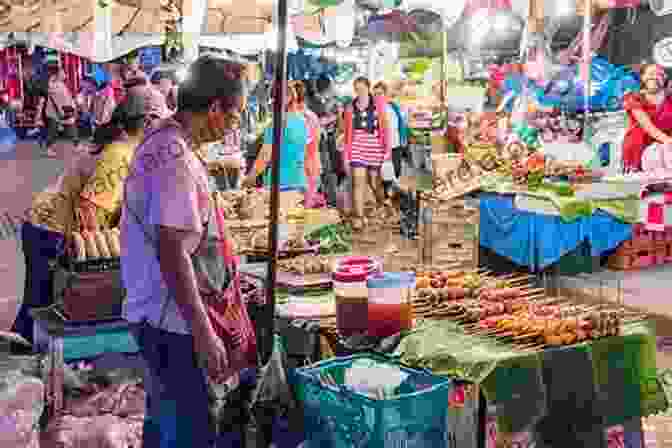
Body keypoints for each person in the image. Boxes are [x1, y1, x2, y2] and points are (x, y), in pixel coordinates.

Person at [120, 55, 254, 448]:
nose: (236, 123)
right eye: (236, 114)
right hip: (170, 322)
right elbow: (172, 252)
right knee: (188, 429)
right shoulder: (175, 160)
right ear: (214, 109)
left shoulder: (166, 139)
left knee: (164, 421)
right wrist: (203, 332)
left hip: (156, 314)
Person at [11, 91, 146, 353]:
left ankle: (25, 346)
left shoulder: (119, 145)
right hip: (51, 227)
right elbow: (89, 209)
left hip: (43, 220)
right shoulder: (121, 153)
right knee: (47, 301)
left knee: (39, 296)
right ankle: (34, 360)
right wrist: (96, 262)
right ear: (148, 121)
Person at [341, 76, 392, 229]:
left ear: (368, 88)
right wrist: (346, 154)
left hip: (374, 145)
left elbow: (385, 127)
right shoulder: (350, 107)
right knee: (358, 180)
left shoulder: (378, 104)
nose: (359, 92)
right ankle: (359, 217)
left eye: (362, 89)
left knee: (373, 180)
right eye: (357, 89)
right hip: (357, 145)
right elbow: (348, 132)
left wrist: (387, 149)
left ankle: (382, 203)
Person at [243, 81, 311, 193]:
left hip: (279, 183)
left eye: (274, 98)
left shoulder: (278, 123)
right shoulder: (303, 121)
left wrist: (250, 177)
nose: (272, 103)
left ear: (287, 98)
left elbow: (265, 155)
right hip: (299, 182)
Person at [622, 63, 672, 172]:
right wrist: (668, 141)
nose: (654, 76)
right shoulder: (633, 98)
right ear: (642, 77)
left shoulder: (670, 100)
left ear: (665, 79)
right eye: (650, 73)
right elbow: (648, 127)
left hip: (666, 150)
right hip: (639, 148)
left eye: (659, 74)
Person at [44, 68, 78, 157]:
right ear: (58, 75)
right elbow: (59, 98)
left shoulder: (61, 84)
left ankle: (76, 145)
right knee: (53, 131)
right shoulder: (53, 85)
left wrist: (72, 106)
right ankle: (49, 148)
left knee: (71, 127)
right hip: (55, 112)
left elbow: (67, 97)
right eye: (62, 73)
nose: (64, 74)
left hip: (64, 111)